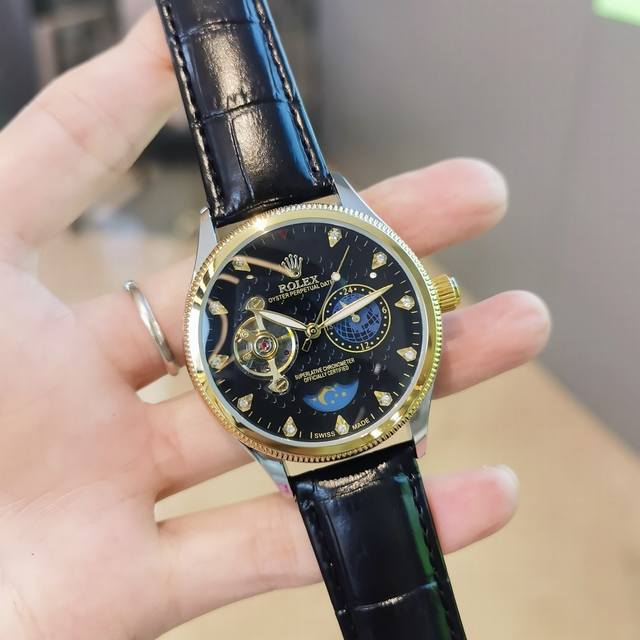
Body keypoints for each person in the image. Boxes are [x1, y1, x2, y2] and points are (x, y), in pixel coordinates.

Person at [0, 11, 550, 639]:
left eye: (347, 314)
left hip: (340, 416)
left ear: (430, 298)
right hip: (318, 424)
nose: (313, 333)